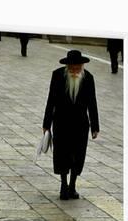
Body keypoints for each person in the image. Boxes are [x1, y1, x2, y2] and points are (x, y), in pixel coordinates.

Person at [42, 50, 99, 200]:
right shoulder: (58, 75)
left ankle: (72, 185)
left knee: (77, 155)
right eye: (72, 68)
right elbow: (51, 100)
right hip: (61, 122)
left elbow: (92, 103)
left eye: (78, 68)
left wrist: (95, 126)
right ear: (67, 66)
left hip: (81, 123)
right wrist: (46, 124)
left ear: (82, 66)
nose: (75, 71)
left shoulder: (88, 78)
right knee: (62, 154)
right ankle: (63, 185)